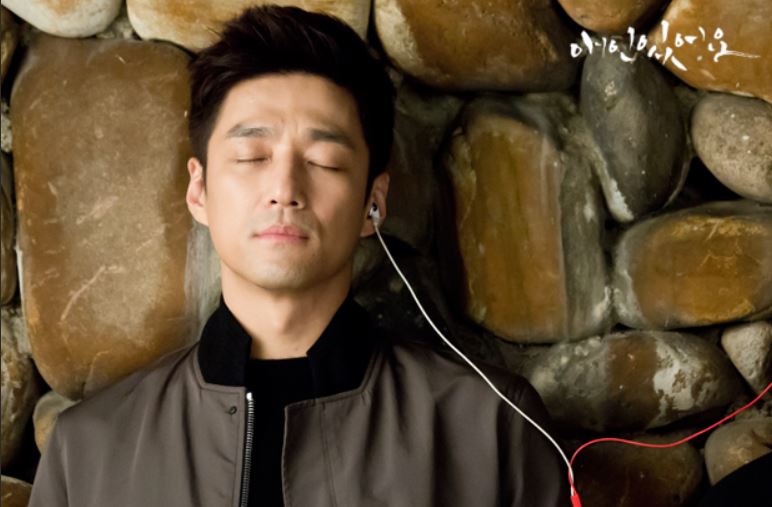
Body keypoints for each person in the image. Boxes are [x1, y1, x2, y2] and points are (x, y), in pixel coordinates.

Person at [28, 5, 568, 506]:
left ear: (373, 202)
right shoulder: (88, 454)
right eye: (251, 155)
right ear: (199, 191)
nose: (284, 189)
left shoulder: (492, 429)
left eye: (325, 160)